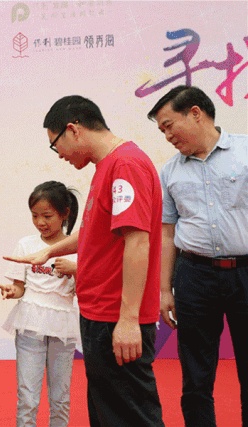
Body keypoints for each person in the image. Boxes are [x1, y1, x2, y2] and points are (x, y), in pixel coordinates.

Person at [6, 95, 164, 426]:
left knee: (130, 415)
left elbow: (137, 242)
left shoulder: (126, 165)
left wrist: (128, 319)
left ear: (73, 130)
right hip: (98, 314)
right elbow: (95, 230)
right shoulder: (106, 166)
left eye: (56, 145)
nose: (59, 155)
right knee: (108, 413)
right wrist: (49, 251)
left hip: (114, 317)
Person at [147, 85, 247, 426]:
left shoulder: (245, 152)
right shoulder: (170, 171)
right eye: (162, 131)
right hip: (194, 275)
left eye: (168, 126)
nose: (167, 136)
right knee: (196, 375)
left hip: (246, 271)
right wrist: (164, 289)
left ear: (195, 113)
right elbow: (167, 233)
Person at [0, 181, 80, 427]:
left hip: (63, 325)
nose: (40, 222)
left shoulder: (77, 248)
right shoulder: (26, 244)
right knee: (27, 397)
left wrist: (76, 270)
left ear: (64, 213)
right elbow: (19, 287)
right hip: (30, 323)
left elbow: (84, 291)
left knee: (60, 397)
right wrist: (12, 291)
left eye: (47, 216)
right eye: (35, 215)